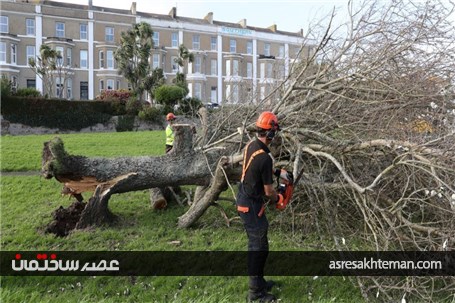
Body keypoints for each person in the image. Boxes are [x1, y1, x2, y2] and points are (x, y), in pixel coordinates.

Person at [236, 111, 293, 302]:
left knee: (261, 245)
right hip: (250, 205)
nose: (275, 136)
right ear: (270, 134)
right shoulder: (265, 157)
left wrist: (278, 172)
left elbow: (259, 167)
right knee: (258, 246)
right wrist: (280, 198)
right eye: (274, 133)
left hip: (246, 198)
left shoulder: (252, 145)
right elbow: (269, 192)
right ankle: (255, 293)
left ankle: (259, 283)